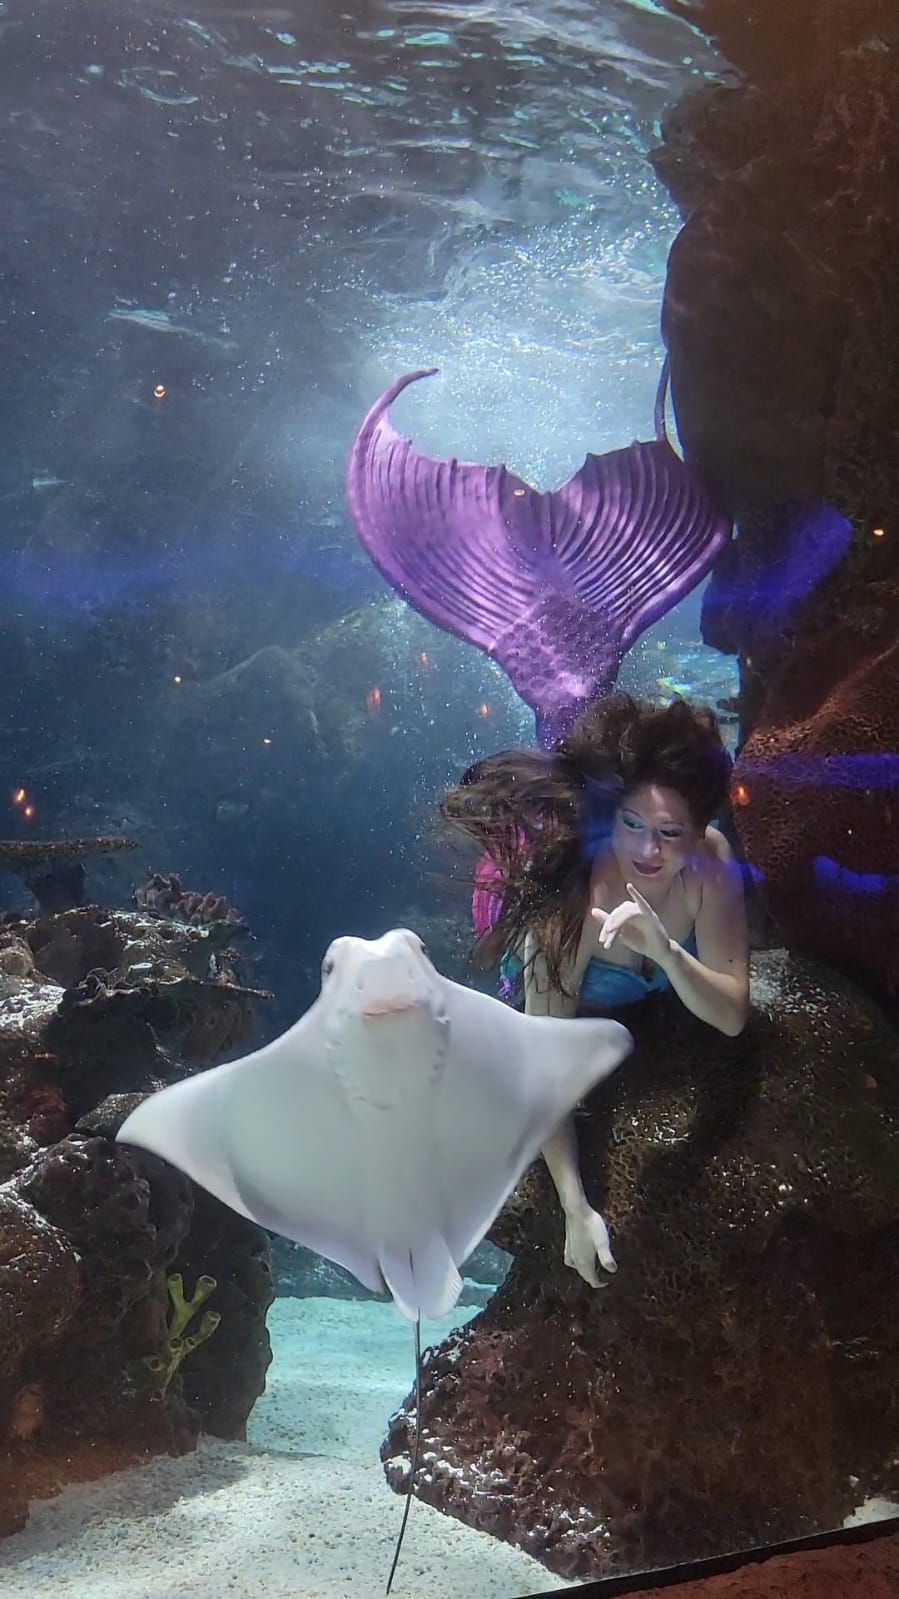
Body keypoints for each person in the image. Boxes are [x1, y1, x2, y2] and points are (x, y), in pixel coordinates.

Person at [441, 692, 750, 1288]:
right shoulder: (574, 903)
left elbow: (732, 1013)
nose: (647, 851)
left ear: (702, 826)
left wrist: (667, 952)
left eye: (669, 832)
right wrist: (575, 1209)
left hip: (644, 988)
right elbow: (543, 1069)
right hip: (544, 978)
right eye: (631, 824)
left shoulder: (711, 863)